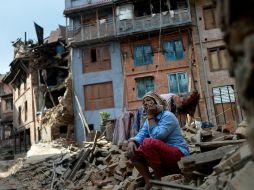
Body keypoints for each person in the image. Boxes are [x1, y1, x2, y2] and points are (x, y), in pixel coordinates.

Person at [127, 91, 189, 189]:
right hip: (163, 157)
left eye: (150, 101)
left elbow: (157, 136)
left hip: (178, 155)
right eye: (145, 103)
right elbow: (141, 134)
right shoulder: (149, 120)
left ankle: (158, 178)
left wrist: (151, 117)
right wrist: (132, 141)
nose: (147, 105)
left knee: (148, 143)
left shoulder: (168, 116)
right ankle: (149, 181)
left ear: (157, 102)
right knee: (132, 149)